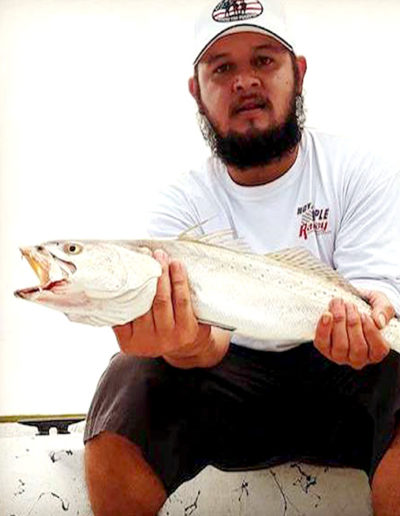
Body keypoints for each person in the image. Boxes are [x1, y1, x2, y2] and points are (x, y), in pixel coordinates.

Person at [83, 1, 400, 515]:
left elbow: (373, 293)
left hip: (344, 383)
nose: (244, 81)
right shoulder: (180, 205)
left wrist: (371, 322)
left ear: (298, 73)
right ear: (197, 91)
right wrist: (182, 343)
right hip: (229, 395)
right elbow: (207, 344)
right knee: (130, 372)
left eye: (264, 60)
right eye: (222, 67)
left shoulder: (358, 170)